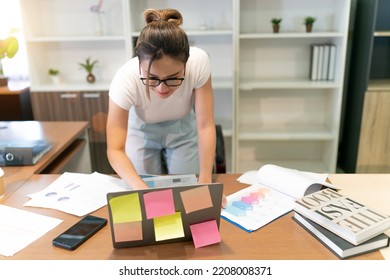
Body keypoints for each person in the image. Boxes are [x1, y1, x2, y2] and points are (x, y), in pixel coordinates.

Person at [106, 8, 216, 191]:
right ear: (139, 64)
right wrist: (143, 190)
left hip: (182, 127)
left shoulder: (198, 62)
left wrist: (206, 181)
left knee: (189, 187)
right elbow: (115, 149)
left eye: (173, 78)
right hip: (141, 129)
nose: (162, 88)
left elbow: (205, 125)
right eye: (152, 78)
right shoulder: (125, 78)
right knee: (141, 183)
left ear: (186, 63)